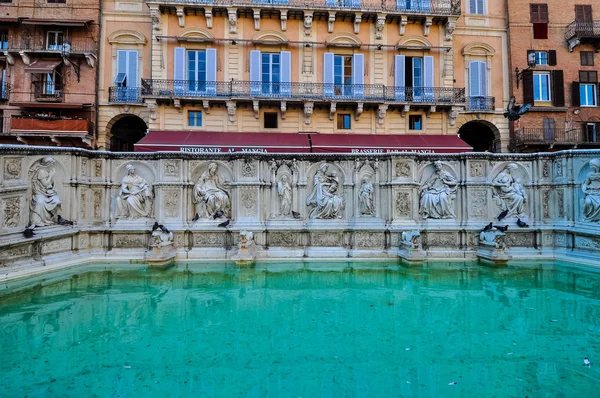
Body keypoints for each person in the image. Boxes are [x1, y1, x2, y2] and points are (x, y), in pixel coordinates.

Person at [29, 157, 62, 227]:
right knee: (40, 202)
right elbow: (45, 184)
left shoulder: (47, 171)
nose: (52, 165)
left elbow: (51, 184)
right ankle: (37, 221)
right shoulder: (41, 171)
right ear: (48, 164)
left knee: (57, 201)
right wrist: (51, 175)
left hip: (48, 193)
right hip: (40, 193)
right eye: (52, 164)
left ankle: (52, 219)